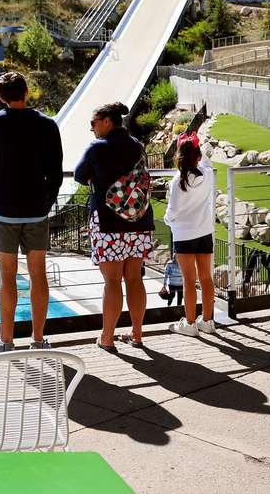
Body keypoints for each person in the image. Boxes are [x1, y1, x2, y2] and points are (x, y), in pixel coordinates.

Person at [0, 71, 63, 353]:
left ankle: (6, 341)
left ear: (1, 97)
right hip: (37, 210)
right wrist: (47, 202)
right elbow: (56, 172)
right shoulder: (47, 125)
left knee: (7, 276)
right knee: (39, 274)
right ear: (26, 92)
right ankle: (38, 340)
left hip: (3, 211)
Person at [74, 102, 156, 352]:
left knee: (112, 281)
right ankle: (137, 334)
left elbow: (79, 175)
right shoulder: (137, 145)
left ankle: (107, 338)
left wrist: (95, 176)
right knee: (134, 278)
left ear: (107, 121)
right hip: (138, 220)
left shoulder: (98, 147)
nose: (92, 128)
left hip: (108, 222)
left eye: (93, 123)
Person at [164, 132, 217, 335]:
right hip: (204, 231)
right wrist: (197, 146)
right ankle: (208, 321)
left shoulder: (177, 181)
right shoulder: (207, 174)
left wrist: (168, 221)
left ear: (179, 157)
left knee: (188, 280)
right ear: (197, 156)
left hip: (184, 234)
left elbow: (173, 211)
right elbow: (206, 160)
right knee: (206, 278)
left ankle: (190, 323)